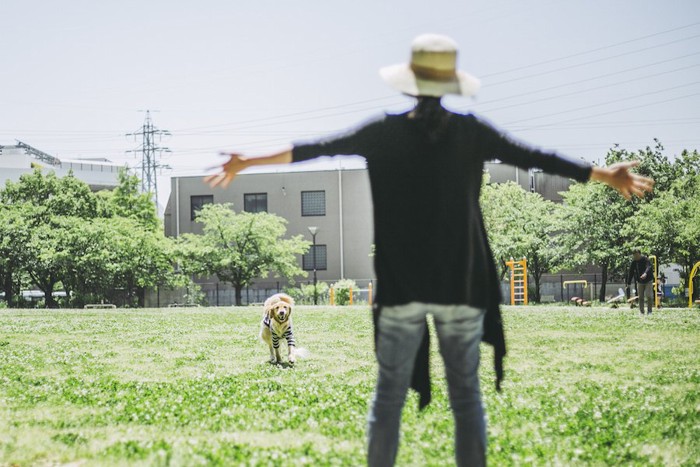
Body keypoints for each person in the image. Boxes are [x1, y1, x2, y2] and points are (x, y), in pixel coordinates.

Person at [206, 34, 654, 467]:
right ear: (449, 84)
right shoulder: (470, 132)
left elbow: (316, 149)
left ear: (410, 82)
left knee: (388, 399)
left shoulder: (383, 132)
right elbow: (535, 155)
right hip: (460, 284)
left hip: (401, 287)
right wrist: (604, 175)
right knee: (466, 399)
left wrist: (249, 161)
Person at [626, 249, 654, 315]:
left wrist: (645, 273)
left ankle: (649, 312)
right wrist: (628, 283)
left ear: (640, 254)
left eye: (637, 255)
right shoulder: (634, 262)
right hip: (640, 282)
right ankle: (641, 312)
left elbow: (649, 267)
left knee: (649, 295)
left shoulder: (645, 259)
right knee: (641, 297)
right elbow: (631, 273)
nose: (636, 257)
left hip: (648, 281)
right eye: (634, 256)